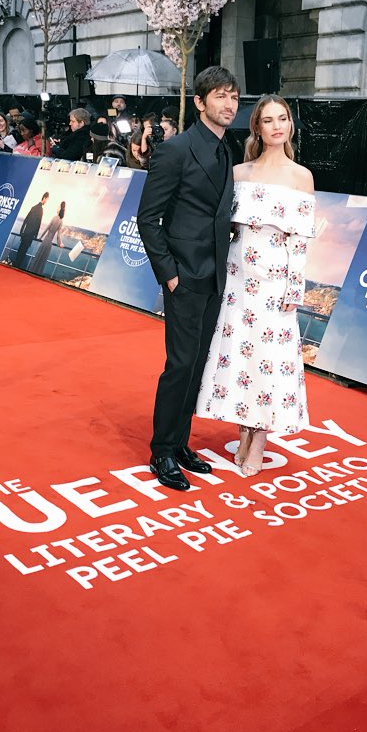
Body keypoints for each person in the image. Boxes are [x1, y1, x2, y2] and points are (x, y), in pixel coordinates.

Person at [196, 95, 315, 476]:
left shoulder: (302, 177)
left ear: (290, 125)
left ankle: (260, 439)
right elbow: (223, 227)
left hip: (275, 282)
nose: (277, 126)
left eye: (283, 118)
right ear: (257, 128)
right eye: (268, 120)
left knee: (271, 361)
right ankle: (244, 431)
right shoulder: (240, 173)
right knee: (241, 358)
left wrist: (293, 289)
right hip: (237, 279)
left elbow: (300, 240)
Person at [137, 65, 240, 491]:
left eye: (233, 96)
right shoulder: (175, 150)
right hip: (185, 274)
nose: (228, 104)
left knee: (197, 364)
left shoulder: (228, 149)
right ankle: (161, 450)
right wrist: (170, 275)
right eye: (219, 96)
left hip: (216, 274)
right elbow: (148, 218)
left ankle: (180, 443)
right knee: (179, 365)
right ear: (199, 103)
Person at [28, 200, 67, 276]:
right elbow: (58, 235)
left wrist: (40, 237)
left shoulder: (54, 218)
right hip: (49, 243)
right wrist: (61, 243)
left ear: (59, 209)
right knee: (42, 261)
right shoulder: (61, 221)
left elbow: (46, 229)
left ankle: (31, 272)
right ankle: (37, 275)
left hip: (45, 240)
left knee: (37, 257)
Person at [14, 192, 49, 269]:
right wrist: (35, 236)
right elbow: (38, 225)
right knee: (23, 254)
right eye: (47, 200)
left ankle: (14, 266)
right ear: (44, 198)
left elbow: (25, 220)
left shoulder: (33, 207)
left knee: (19, 252)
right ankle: (16, 268)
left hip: (24, 234)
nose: (46, 202)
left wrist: (21, 231)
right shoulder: (41, 210)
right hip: (29, 236)